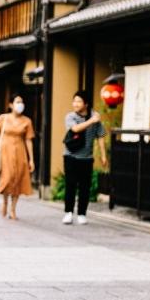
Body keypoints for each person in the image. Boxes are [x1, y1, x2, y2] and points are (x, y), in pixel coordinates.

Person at [63, 89, 107, 225]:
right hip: (70, 156)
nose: (75, 104)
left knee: (84, 186)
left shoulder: (95, 117)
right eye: (74, 101)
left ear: (86, 103)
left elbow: (100, 136)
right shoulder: (71, 117)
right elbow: (75, 129)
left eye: (79, 101)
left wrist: (103, 155)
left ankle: (82, 213)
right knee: (70, 184)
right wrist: (91, 121)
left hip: (87, 158)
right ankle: (68, 212)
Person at [0, 94, 35, 221]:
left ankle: (13, 209)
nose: (20, 104)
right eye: (17, 102)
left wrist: (31, 158)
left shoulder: (27, 121)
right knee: (8, 177)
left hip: (20, 151)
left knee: (19, 178)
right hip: (5, 150)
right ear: (10, 104)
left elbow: (28, 140)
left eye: (21, 102)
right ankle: (5, 202)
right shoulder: (3, 118)